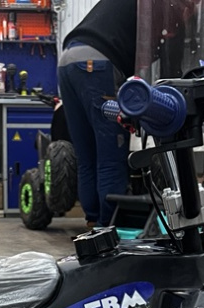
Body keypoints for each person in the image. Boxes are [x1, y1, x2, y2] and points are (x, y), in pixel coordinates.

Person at [58, 0, 196, 228]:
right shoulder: (170, 8)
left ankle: (93, 221)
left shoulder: (145, 7)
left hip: (68, 61)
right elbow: (172, 70)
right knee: (110, 156)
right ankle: (108, 228)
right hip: (97, 63)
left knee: (87, 155)